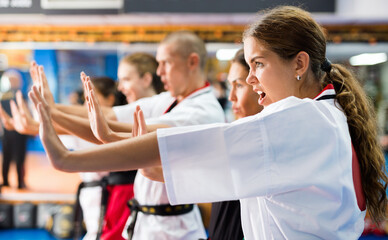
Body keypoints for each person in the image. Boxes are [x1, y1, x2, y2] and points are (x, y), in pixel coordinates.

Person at [29, 6, 388, 239]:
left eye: (258, 65)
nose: (250, 80)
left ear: (299, 64)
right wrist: (102, 134)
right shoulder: (326, 112)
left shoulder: (298, 119)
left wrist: (69, 158)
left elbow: (202, 140)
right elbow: (180, 153)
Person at [32, 31, 222, 240]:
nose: (160, 72)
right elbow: (110, 115)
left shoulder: (203, 111)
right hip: (146, 222)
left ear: (192, 62)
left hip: (174, 229)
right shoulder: (171, 99)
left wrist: (61, 130)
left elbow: (137, 135)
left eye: (165, 63)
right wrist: (54, 110)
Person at [208, 49, 262, 240]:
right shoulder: (237, 135)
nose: (231, 97)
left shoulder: (264, 144)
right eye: (230, 86)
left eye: (238, 85)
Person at [0, 69, 29, 189]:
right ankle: (16, 182)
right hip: (16, 131)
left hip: (14, 131)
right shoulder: (20, 96)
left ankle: (13, 181)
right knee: (14, 157)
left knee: (13, 158)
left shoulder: (6, 96)